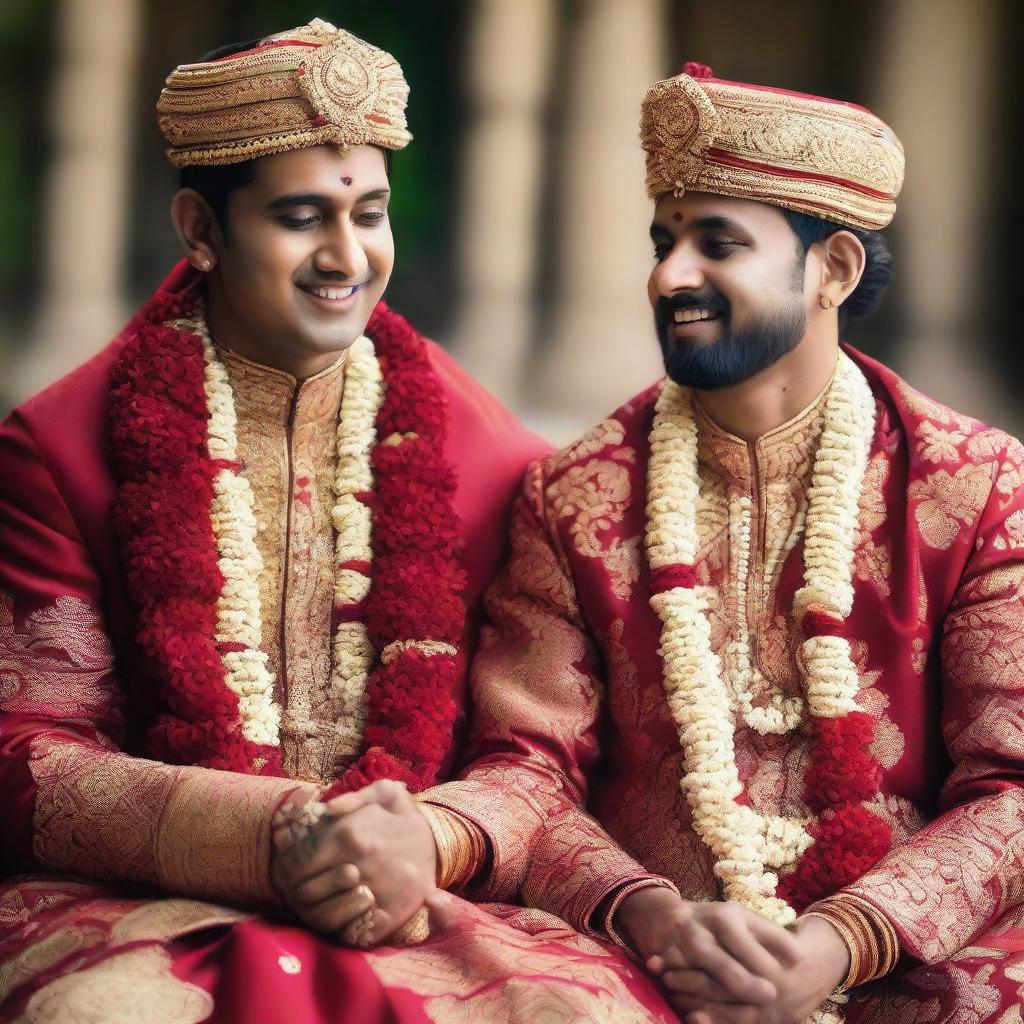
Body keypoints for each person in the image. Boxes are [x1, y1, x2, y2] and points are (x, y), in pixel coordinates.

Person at [0, 19, 685, 1023]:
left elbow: (535, 755)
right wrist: (273, 833)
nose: (345, 254)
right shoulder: (59, 448)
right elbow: (32, 750)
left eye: (369, 213)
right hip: (148, 900)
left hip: (426, 897)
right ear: (200, 227)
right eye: (301, 216)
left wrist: (429, 840)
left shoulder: (496, 462)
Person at [347, 63, 1024, 1023]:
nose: (669, 276)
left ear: (831, 269)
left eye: (717, 243)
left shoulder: (979, 486)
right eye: (663, 242)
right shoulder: (577, 496)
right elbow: (529, 768)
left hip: (910, 955)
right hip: (638, 959)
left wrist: (836, 943)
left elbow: (1015, 787)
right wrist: (655, 921)